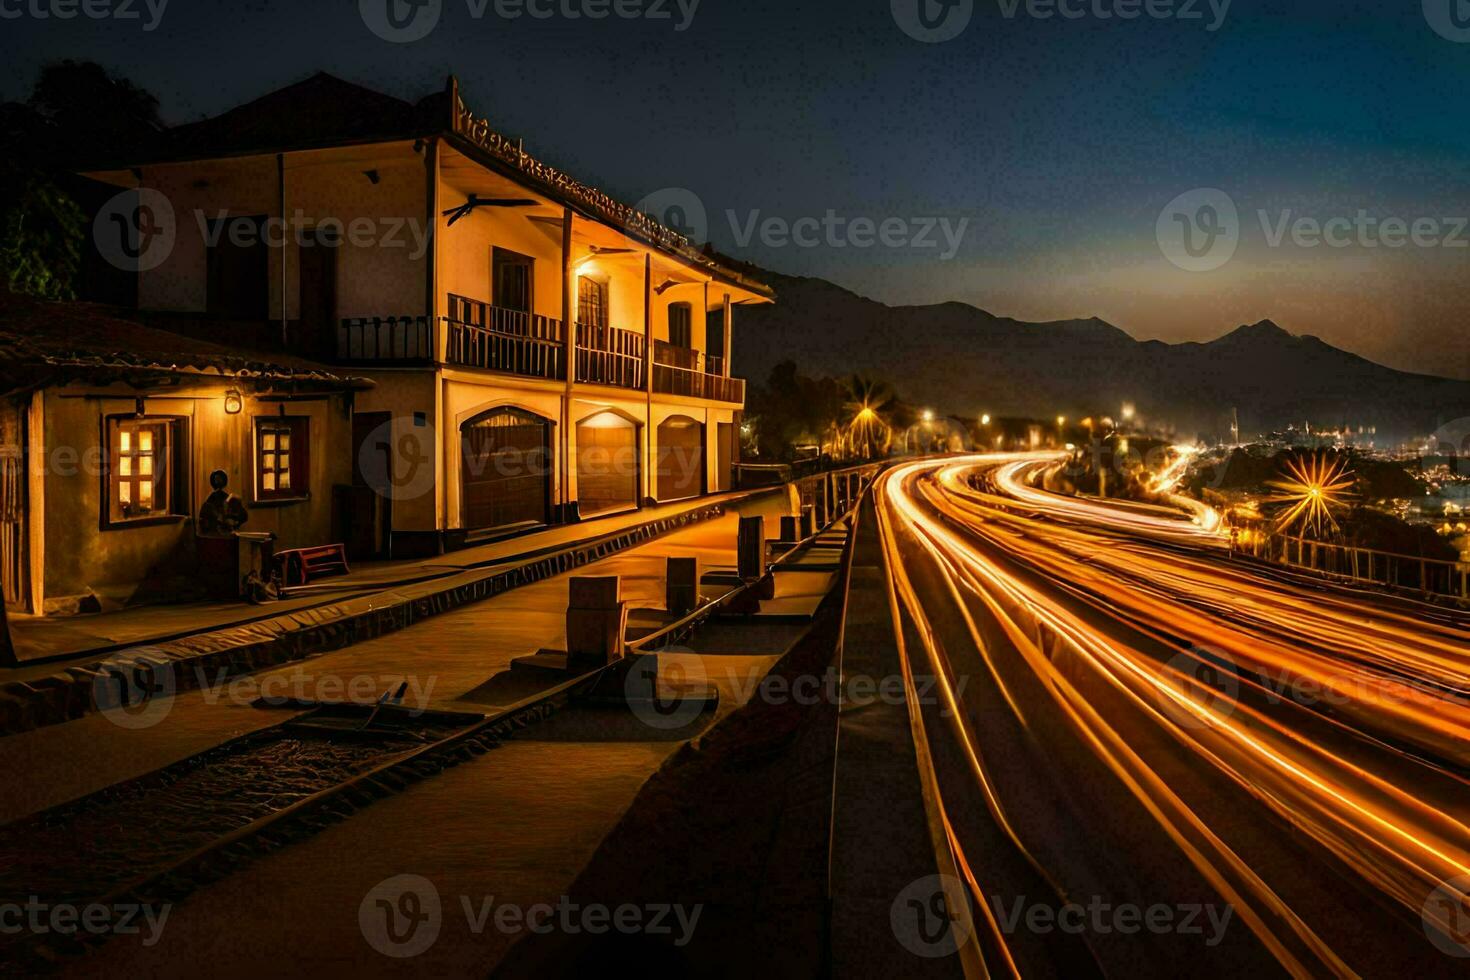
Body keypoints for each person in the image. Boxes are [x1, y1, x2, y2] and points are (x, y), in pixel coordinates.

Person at [198, 469, 249, 536]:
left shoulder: (228, 498)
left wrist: (234, 523)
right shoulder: (210, 499)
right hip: (214, 533)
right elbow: (205, 515)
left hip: (227, 533)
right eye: (216, 479)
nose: (218, 481)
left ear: (224, 480)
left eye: (220, 479)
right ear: (213, 481)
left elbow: (243, 516)